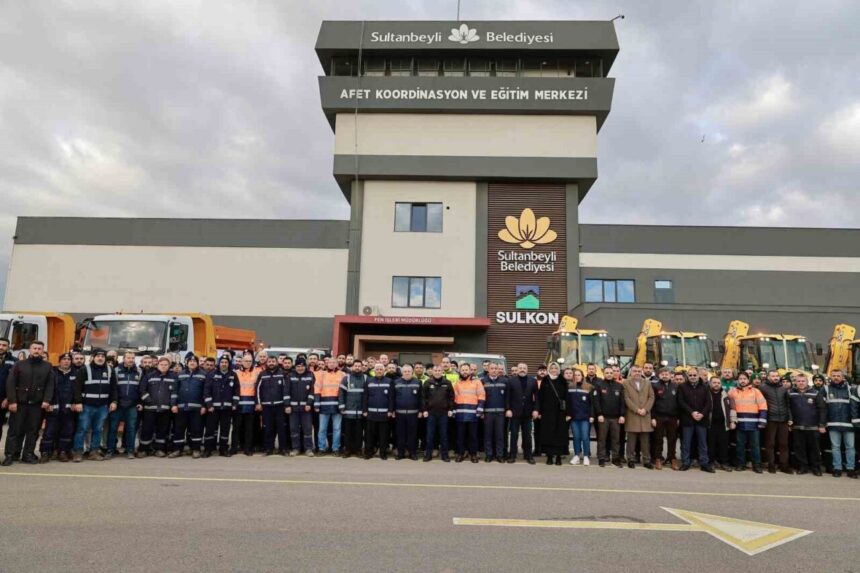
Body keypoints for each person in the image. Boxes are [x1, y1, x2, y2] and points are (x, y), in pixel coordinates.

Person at [2, 341, 53, 466]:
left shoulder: (47, 366)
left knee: (33, 431)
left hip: (36, 405)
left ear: (42, 351)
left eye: (39, 349)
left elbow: (50, 385)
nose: (36, 350)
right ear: (30, 350)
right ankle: (11, 455)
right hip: (20, 404)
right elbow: (11, 383)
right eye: (34, 348)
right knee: (14, 431)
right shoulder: (19, 364)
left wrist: (46, 400)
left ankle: (28, 454)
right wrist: (12, 401)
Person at [72, 348, 118, 462]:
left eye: (103, 356)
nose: (100, 358)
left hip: (103, 406)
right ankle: (78, 452)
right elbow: (77, 388)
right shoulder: (84, 370)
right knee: (82, 429)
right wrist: (78, 402)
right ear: (93, 357)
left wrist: (114, 401)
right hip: (87, 406)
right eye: (98, 356)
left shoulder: (110, 370)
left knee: (98, 429)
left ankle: (94, 452)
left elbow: (113, 388)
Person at [137, 356, 178, 458]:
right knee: (147, 430)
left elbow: (174, 393)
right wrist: (148, 400)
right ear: (157, 365)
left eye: (166, 365)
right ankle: (143, 449)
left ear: (169, 366)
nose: (163, 366)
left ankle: (159, 449)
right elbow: (142, 389)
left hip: (165, 410)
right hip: (150, 409)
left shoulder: (173, 377)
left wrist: (172, 404)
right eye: (161, 364)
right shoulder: (149, 375)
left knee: (162, 430)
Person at [39, 352, 76, 462]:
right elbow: (47, 389)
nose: (66, 361)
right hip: (53, 408)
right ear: (59, 361)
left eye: (68, 359)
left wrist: (76, 402)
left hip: (69, 409)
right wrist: (48, 403)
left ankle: (62, 452)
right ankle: (45, 452)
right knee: (49, 432)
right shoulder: (52, 372)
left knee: (67, 431)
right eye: (64, 359)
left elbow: (78, 390)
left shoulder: (76, 373)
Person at [821, 369, 858, 478]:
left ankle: (851, 469)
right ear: (830, 377)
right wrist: (822, 423)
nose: (836, 377)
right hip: (833, 424)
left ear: (843, 377)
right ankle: (837, 468)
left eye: (838, 375)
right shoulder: (826, 389)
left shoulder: (851, 389)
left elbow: (855, 407)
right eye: (834, 376)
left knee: (850, 447)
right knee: (835, 447)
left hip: (849, 424)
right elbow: (822, 408)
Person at [728, 371, 766, 473]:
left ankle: (757, 465)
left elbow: (763, 406)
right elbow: (730, 408)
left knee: (755, 446)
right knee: (740, 446)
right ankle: (741, 464)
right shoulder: (733, 392)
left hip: (754, 424)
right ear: (737, 380)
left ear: (748, 380)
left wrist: (762, 421)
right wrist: (732, 421)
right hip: (739, 423)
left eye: (744, 379)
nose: (742, 381)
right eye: (740, 379)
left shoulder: (755, 392)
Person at [170, 354, 207, 459]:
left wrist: (204, 406)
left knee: (196, 429)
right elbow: (174, 391)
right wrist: (173, 404)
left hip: (197, 409)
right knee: (179, 430)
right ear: (186, 363)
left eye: (194, 361)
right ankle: (177, 449)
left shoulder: (203, 375)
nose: (192, 363)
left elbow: (206, 392)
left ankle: (196, 449)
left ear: (197, 363)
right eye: (190, 361)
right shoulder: (180, 374)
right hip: (181, 407)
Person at [788, 373, 826, 476]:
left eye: (803, 381)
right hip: (797, 426)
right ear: (795, 382)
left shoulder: (816, 393)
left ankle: (816, 468)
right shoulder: (791, 393)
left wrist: (822, 424)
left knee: (814, 449)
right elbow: (788, 409)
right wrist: (790, 422)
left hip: (813, 427)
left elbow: (822, 409)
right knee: (799, 448)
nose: (801, 383)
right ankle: (803, 467)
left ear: (807, 382)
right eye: (798, 381)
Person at [106, 351, 141, 460]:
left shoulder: (138, 371)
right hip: (118, 405)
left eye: (132, 358)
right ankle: (110, 450)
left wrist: (139, 402)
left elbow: (140, 389)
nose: (131, 360)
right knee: (113, 429)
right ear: (123, 359)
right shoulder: (116, 370)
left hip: (132, 405)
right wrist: (114, 401)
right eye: (128, 358)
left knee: (131, 429)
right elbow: (113, 388)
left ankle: (130, 451)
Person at [678, 367, 713, 472]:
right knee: (686, 443)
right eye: (690, 375)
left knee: (702, 443)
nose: (692, 377)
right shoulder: (682, 387)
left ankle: (704, 463)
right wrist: (692, 412)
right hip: (687, 419)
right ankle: (685, 462)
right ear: (687, 376)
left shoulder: (705, 387)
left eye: (694, 375)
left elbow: (708, 403)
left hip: (702, 420)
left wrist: (702, 414)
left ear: (698, 376)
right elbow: (681, 401)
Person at [534, 362, 568, 466]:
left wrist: (568, 413)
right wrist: (539, 411)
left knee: (559, 435)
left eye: (555, 368)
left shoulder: (562, 380)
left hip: (560, 413)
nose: (553, 370)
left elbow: (567, 398)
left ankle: (558, 457)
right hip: (547, 412)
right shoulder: (545, 380)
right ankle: (549, 456)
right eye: (551, 368)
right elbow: (540, 397)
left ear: (558, 369)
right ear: (549, 369)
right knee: (548, 434)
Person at [203, 355, 238, 457]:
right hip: (213, 408)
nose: (224, 364)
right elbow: (207, 391)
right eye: (222, 362)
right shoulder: (212, 374)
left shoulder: (233, 375)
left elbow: (236, 391)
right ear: (219, 363)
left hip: (227, 408)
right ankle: (208, 449)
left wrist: (235, 404)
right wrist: (209, 405)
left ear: (229, 364)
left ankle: (223, 450)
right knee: (210, 430)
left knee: (225, 430)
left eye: (226, 362)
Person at [759, 369, 793, 474]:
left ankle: (784, 466)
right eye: (773, 376)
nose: (775, 378)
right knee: (770, 444)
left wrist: (790, 418)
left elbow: (788, 405)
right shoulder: (763, 388)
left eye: (777, 376)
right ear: (768, 377)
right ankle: (771, 465)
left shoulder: (783, 389)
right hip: (770, 420)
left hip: (783, 419)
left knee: (784, 444)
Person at [255, 355, 289, 456]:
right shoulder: (262, 374)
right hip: (266, 407)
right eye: (269, 361)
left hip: (280, 406)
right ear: (267, 362)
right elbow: (257, 390)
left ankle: (283, 449)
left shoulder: (282, 374)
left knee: (282, 428)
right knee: (268, 428)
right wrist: (258, 403)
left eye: (273, 361)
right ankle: (268, 449)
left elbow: (286, 390)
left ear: (277, 362)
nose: (271, 363)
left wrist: (286, 404)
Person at [593, 364, 625, 467]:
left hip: (616, 418)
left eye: (611, 373)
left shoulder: (619, 386)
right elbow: (596, 401)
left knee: (616, 439)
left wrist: (622, 415)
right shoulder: (599, 385)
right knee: (602, 439)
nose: (609, 374)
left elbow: (622, 402)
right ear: (603, 373)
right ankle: (601, 458)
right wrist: (599, 414)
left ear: (614, 373)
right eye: (607, 373)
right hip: (604, 417)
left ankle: (615, 458)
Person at [623, 365, 655, 469]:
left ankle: (646, 460)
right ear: (631, 372)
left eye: (638, 371)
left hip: (645, 415)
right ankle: (630, 459)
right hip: (633, 414)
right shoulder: (626, 383)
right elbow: (626, 398)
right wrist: (636, 409)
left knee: (645, 441)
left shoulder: (647, 383)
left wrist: (645, 409)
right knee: (631, 440)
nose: (637, 373)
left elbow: (651, 397)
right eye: (634, 371)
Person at [505, 362, 538, 464]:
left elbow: (537, 397)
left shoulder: (533, 381)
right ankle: (512, 455)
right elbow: (507, 397)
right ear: (517, 369)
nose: (522, 369)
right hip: (515, 412)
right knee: (514, 435)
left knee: (527, 435)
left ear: (527, 370)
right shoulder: (511, 381)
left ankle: (528, 455)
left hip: (528, 413)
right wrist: (508, 409)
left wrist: (536, 410)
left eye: (524, 368)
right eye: (520, 368)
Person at [454, 363, 485, 463]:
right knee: (460, 436)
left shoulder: (477, 382)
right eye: (463, 370)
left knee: (473, 436)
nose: (464, 372)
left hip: (473, 414)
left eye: (466, 370)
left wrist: (480, 408)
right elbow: (453, 398)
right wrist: (454, 410)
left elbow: (481, 395)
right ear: (460, 371)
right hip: (460, 414)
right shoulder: (457, 383)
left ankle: (473, 454)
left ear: (470, 371)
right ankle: (460, 454)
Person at [422, 364, 454, 462]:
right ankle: (428, 455)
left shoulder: (447, 383)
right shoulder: (427, 383)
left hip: (443, 413)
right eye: (435, 370)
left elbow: (451, 397)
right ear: (432, 372)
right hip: (431, 413)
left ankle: (445, 455)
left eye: (439, 370)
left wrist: (450, 409)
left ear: (442, 372)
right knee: (430, 435)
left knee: (443, 435)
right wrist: (425, 410)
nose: (437, 372)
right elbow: (423, 398)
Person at [650, 368, 680, 470]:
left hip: (673, 417)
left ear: (670, 375)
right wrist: (652, 417)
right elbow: (652, 403)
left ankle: (672, 459)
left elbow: (679, 403)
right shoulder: (654, 386)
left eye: (666, 374)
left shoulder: (676, 386)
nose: (664, 375)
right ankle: (658, 459)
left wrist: (678, 418)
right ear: (659, 375)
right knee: (658, 439)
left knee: (672, 439)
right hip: (659, 416)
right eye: (662, 374)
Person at [364, 362, 394, 460]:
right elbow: (365, 397)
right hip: (371, 413)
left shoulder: (389, 381)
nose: (379, 371)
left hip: (384, 414)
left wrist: (390, 410)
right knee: (370, 435)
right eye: (377, 369)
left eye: (381, 369)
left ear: (384, 370)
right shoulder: (369, 381)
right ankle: (369, 452)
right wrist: (365, 410)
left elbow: (391, 398)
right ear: (374, 370)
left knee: (384, 435)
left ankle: (383, 453)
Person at [393, 364, 422, 460]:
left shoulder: (418, 382)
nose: (407, 373)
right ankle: (401, 453)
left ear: (412, 372)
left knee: (412, 435)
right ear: (402, 372)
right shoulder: (396, 382)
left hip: (413, 414)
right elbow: (392, 398)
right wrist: (392, 410)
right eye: (405, 371)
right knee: (400, 434)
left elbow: (421, 398)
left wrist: (420, 410)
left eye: (408, 371)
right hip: (399, 413)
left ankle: (412, 453)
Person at [339, 360, 367, 459]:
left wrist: (366, 410)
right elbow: (341, 393)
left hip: (361, 412)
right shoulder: (346, 378)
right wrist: (341, 406)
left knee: (359, 433)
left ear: (362, 367)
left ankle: (358, 450)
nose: (357, 368)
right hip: (348, 411)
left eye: (359, 366)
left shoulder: (366, 378)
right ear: (352, 367)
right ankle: (348, 450)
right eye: (356, 366)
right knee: (348, 432)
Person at [233, 353, 260, 456]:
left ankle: (248, 449)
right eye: (246, 361)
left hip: (251, 405)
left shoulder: (256, 373)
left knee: (249, 429)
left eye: (249, 361)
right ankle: (234, 448)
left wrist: (257, 403)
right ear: (242, 362)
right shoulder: (236, 373)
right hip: (238, 405)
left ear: (252, 362)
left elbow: (258, 389)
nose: (247, 363)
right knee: (236, 428)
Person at [566, 367, 593, 466]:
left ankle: (586, 456)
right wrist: (568, 414)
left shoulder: (589, 387)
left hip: (585, 417)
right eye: (575, 375)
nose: (577, 377)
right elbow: (568, 403)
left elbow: (592, 404)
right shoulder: (570, 387)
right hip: (574, 417)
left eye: (578, 375)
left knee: (585, 437)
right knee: (576, 437)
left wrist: (591, 415)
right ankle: (576, 455)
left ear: (582, 376)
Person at [707, 376, 735, 471]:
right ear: (710, 384)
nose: (716, 384)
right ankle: (711, 462)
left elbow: (732, 408)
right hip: (710, 424)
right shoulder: (706, 394)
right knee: (711, 444)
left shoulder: (726, 395)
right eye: (714, 383)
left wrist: (732, 421)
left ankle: (724, 463)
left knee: (724, 444)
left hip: (723, 424)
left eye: (718, 383)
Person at [480, 362, 506, 463]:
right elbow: (480, 397)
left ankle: (499, 455)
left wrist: (507, 409)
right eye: (492, 368)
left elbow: (507, 397)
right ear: (488, 370)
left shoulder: (504, 381)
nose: (494, 370)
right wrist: (481, 411)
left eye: (496, 368)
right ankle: (489, 455)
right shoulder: (482, 381)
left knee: (499, 435)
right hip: (487, 413)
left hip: (500, 414)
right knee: (488, 435)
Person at [0, 337, 16, 450]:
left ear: (8, 347)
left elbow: (15, 382)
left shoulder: (14, 361)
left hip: (3, 400)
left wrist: (8, 398)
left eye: (4, 345)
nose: (1, 347)